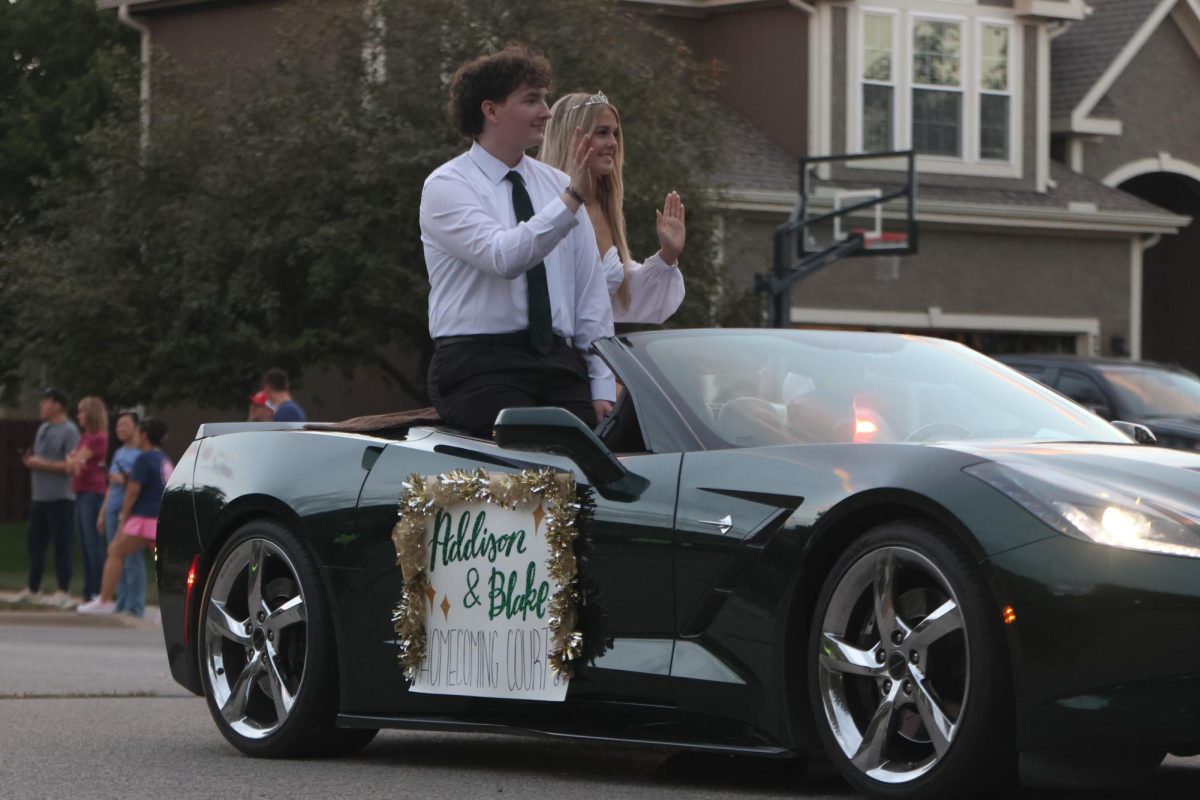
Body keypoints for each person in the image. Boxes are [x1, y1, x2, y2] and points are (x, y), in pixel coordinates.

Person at [420, 45, 615, 438]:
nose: (546, 111)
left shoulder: (558, 185)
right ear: (490, 110)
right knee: (526, 460)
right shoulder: (447, 185)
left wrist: (602, 383)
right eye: (531, 100)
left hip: (558, 361)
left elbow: (589, 294)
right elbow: (503, 256)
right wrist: (572, 200)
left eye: (545, 98)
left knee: (595, 462)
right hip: (480, 361)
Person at [540, 91, 685, 324]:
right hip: (552, 353)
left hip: (594, 351)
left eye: (615, 133)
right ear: (572, 137)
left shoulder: (603, 207)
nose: (613, 143)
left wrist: (668, 254)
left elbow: (623, 297)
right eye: (602, 132)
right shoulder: (543, 202)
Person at [77, 418, 173, 615]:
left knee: (115, 551)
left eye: (138, 432)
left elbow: (132, 491)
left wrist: (124, 516)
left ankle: (104, 599)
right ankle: (171, 611)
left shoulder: (143, 458)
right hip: (160, 516)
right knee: (163, 564)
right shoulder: (163, 458)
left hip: (144, 517)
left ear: (144, 435)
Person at [17, 388, 80, 608]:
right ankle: (33, 587)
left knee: (61, 545)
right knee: (35, 543)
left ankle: (63, 589)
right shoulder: (43, 428)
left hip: (60, 497)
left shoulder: (69, 431)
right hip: (39, 496)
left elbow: (71, 465)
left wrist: (42, 464)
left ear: (57, 405)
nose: (41, 406)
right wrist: (33, 461)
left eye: (45, 402)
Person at [96, 409, 147, 616]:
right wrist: (102, 512)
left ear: (136, 427)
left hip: (132, 510)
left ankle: (135, 606)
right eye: (118, 425)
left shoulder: (142, 455)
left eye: (126, 424)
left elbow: (140, 485)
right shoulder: (118, 453)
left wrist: (124, 480)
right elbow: (110, 487)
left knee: (133, 559)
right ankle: (121, 602)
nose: (121, 429)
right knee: (115, 556)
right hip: (113, 507)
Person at [65, 396, 109, 602]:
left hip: (93, 494)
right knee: (83, 543)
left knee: (93, 544)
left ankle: (97, 592)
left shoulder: (98, 437)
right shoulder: (84, 438)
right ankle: (88, 590)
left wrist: (74, 461)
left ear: (90, 413)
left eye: (81, 412)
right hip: (80, 492)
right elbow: (70, 463)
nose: (78, 416)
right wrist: (74, 461)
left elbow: (75, 461)